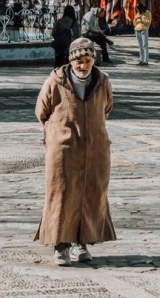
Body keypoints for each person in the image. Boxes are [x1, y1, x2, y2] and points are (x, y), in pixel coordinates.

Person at [34, 37, 116, 266]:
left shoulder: (103, 81)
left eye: (87, 60)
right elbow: (42, 111)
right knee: (62, 194)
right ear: (71, 61)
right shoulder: (55, 81)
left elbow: (107, 107)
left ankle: (83, 243)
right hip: (64, 149)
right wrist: (56, 134)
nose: (83, 65)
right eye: (79, 60)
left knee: (91, 194)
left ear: (93, 60)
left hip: (95, 148)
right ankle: (61, 245)